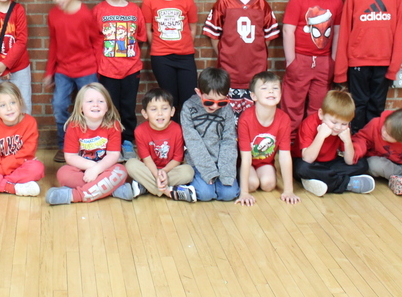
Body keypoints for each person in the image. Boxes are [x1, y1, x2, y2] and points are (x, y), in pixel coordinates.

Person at [333, 0, 402, 133]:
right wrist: (340, 71)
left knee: (377, 107)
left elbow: (400, 33)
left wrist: (394, 67)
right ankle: (357, 146)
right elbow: (344, 34)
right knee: (358, 106)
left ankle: (373, 145)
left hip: (383, 63)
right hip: (358, 62)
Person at [203, 0, 280, 117]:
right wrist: (225, 54)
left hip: (255, 70)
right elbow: (214, 35)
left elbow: (268, 36)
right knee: (229, 115)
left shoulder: (261, 4)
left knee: (253, 114)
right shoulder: (224, 3)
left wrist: (256, 52)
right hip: (229, 70)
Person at [280, 0, 343, 145]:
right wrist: (291, 61)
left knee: (319, 105)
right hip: (301, 59)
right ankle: (289, 143)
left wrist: (333, 59)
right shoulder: (298, 0)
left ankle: (311, 142)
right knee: (293, 104)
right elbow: (288, 30)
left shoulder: (336, 1)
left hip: (324, 61)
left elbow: (338, 32)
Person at [93, 0, 147, 160]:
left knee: (128, 107)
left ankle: (126, 141)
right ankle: (110, 142)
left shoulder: (134, 10)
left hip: (131, 70)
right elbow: (93, 40)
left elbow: (140, 36)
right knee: (109, 108)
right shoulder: (98, 11)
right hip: (107, 70)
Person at [43, 0, 98, 162]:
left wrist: (99, 69)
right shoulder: (53, 15)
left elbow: (96, 41)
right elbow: (54, 43)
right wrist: (50, 72)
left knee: (89, 107)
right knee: (59, 105)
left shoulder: (85, 14)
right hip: (63, 71)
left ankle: (88, 145)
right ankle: (65, 146)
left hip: (87, 70)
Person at [45, 83, 128, 205]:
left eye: (101, 101)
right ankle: (110, 189)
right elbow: (70, 157)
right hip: (82, 169)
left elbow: (113, 154)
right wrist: (92, 167)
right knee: (63, 173)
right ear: (81, 107)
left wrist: (98, 168)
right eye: (90, 101)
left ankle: (74, 195)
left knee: (121, 171)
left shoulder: (113, 125)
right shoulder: (74, 126)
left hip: (105, 168)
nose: (95, 104)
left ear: (107, 107)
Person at [141, 0, 199, 122]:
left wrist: (183, 45)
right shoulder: (149, 1)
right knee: (170, 98)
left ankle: (187, 136)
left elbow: (193, 28)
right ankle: (172, 135)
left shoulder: (187, 2)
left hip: (185, 57)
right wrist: (161, 46)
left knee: (189, 98)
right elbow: (147, 30)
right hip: (162, 58)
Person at [114, 88, 196, 201]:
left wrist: (164, 172)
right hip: (149, 170)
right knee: (130, 164)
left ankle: (147, 187)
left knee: (188, 171)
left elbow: (178, 159)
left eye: (165, 108)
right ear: (145, 113)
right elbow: (147, 160)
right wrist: (157, 175)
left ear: (172, 111)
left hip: (170, 171)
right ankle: (169, 191)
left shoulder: (177, 129)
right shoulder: (140, 131)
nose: (160, 113)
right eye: (153, 109)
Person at [293, 90, 375, 196]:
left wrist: (347, 141)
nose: (338, 127)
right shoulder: (309, 123)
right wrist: (321, 135)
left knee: (362, 164)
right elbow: (308, 159)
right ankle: (346, 184)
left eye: (344, 124)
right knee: (301, 169)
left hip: (329, 163)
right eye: (334, 122)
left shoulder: (343, 128)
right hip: (308, 162)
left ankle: (319, 180)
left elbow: (349, 161)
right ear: (321, 114)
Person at [236, 71, 299, 206]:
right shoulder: (246, 119)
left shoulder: (284, 119)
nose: (271, 92)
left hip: (265, 162)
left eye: (275, 88)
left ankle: (265, 174)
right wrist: (244, 193)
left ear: (280, 94)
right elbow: (246, 157)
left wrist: (288, 190)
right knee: (252, 184)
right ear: (253, 96)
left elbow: (285, 155)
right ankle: (242, 178)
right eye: (264, 88)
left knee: (268, 184)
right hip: (245, 161)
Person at [181, 67, 240, 202]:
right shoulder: (188, 108)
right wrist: (209, 172)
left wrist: (225, 174)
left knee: (229, 194)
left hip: (221, 162)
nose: (214, 106)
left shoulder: (226, 110)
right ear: (198, 92)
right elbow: (193, 142)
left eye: (221, 102)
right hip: (198, 163)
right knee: (206, 194)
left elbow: (229, 142)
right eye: (209, 101)